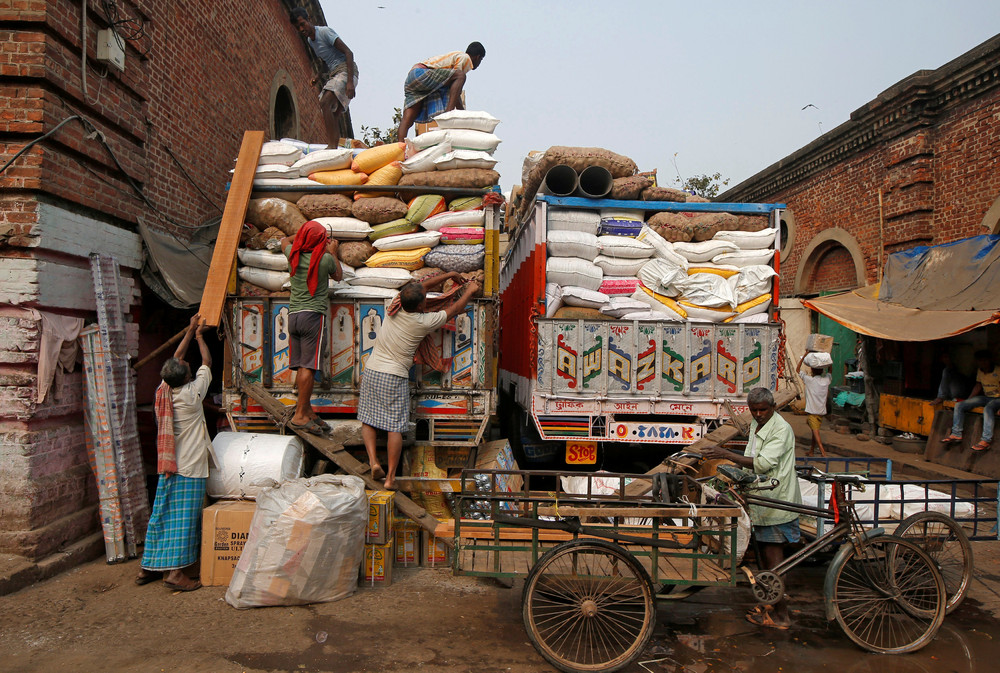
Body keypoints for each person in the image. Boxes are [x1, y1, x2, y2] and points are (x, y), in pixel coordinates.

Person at [359, 274, 481, 489]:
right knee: (394, 427)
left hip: (372, 370)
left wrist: (451, 275)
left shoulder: (394, 306)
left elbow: (420, 287)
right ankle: (390, 478)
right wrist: (470, 291)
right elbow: (454, 310)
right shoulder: (424, 321)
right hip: (394, 375)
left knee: (368, 420)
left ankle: (373, 462)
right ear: (422, 304)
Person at [703, 387, 802, 629]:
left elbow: (763, 463)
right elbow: (751, 457)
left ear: (773, 408)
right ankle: (771, 605)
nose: (758, 414)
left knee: (774, 560)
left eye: (763, 410)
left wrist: (725, 453)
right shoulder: (760, 425)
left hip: (776, 500)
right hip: (762, 498)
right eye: (754, 410)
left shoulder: (780, 428)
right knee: (765, 560)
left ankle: (781, 616)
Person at [136, 314, 213, 592]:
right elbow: (207, 362)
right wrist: (201, 338)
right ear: (187, 377)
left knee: (162, 513)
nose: (184, 360)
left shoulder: (163, 392)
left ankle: (149, 566)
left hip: (169, 464)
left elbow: (175, 360)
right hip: (190, 467)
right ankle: (176, 573)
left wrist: (189, 331)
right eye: (184, 365)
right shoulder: (193, 395)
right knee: (184, 521)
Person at [281, 220, 343, 436]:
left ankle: (307, 410)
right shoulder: (325, 259)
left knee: (300, 366)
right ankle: (300, 416)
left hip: (293, 316)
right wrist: (333, 251)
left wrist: (300, 236)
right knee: (309, 366)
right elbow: (339, 276)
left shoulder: (292, 254)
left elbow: (282, 240)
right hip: (312, 317)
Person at [291, 7, 358, 147]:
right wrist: (318, 75)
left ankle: (331, 145)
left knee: (324, 102)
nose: (302, 29)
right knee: (333, 113)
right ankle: (336, 145)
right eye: (298, 27)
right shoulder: (311, 42)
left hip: (346, 70)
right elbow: (325, 61)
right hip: (335, 73)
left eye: (302, 24)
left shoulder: (324, 32)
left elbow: (348, 53)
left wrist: (350, 82)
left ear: (308, 19)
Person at [397, 42, 486, 141]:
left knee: (408, 119)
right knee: (461, 76)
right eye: (481, 60)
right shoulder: (465, 58)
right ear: (478, 57)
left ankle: (400, 147)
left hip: (412, 78)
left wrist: (463, 115)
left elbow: (454, 92)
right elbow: (456, 86)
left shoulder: (455, 58)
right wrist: (461, 116)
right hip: (421, 73)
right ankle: (447, 115)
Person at [943, 350, 1000, 452]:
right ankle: (956, 434)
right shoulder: (980, 371)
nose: (983, 363)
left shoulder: (998, 371)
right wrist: (969, 400)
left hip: (998, 399)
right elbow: (978, 386)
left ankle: (986, 440)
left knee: (988, 409)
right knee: (960, 405)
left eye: (985, 361)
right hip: (986, 397)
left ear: (990, 361)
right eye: (980, 361)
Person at [797, 353, 831, 457]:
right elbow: (830, 371)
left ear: (812, 370)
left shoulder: (809, 380)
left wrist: (804, 355)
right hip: (821, 412)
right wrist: (828, 361)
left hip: (812, 412)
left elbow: (797, 370)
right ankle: (811, 451)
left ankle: (823, 452)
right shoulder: (826, 380)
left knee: (815, 432)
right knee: (813, 432)